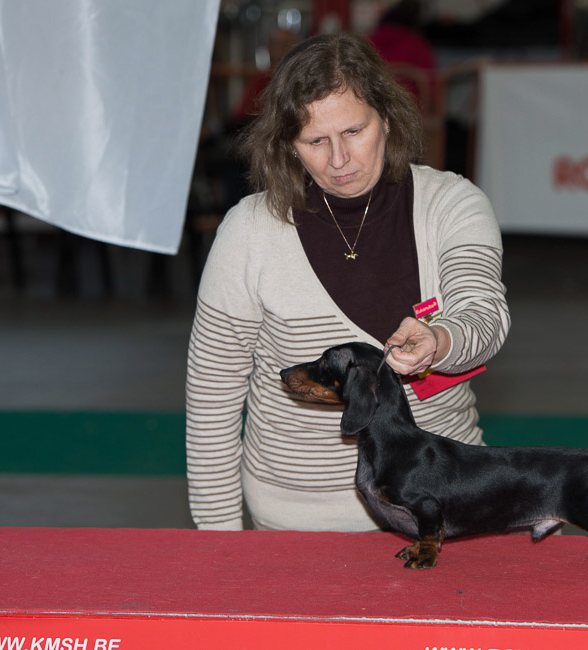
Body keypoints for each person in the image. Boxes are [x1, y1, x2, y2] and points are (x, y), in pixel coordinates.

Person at [185, 32, 510, 531]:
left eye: (354, 131)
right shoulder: (248, 230)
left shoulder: (454, 205)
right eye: (314, 141)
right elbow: (212, 398)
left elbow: (483, 314)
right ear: (286, 145)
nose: (338, 160)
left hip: (448, 509)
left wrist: (440, 340)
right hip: (297, 524)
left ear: (386, 116)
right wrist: (219, 544)